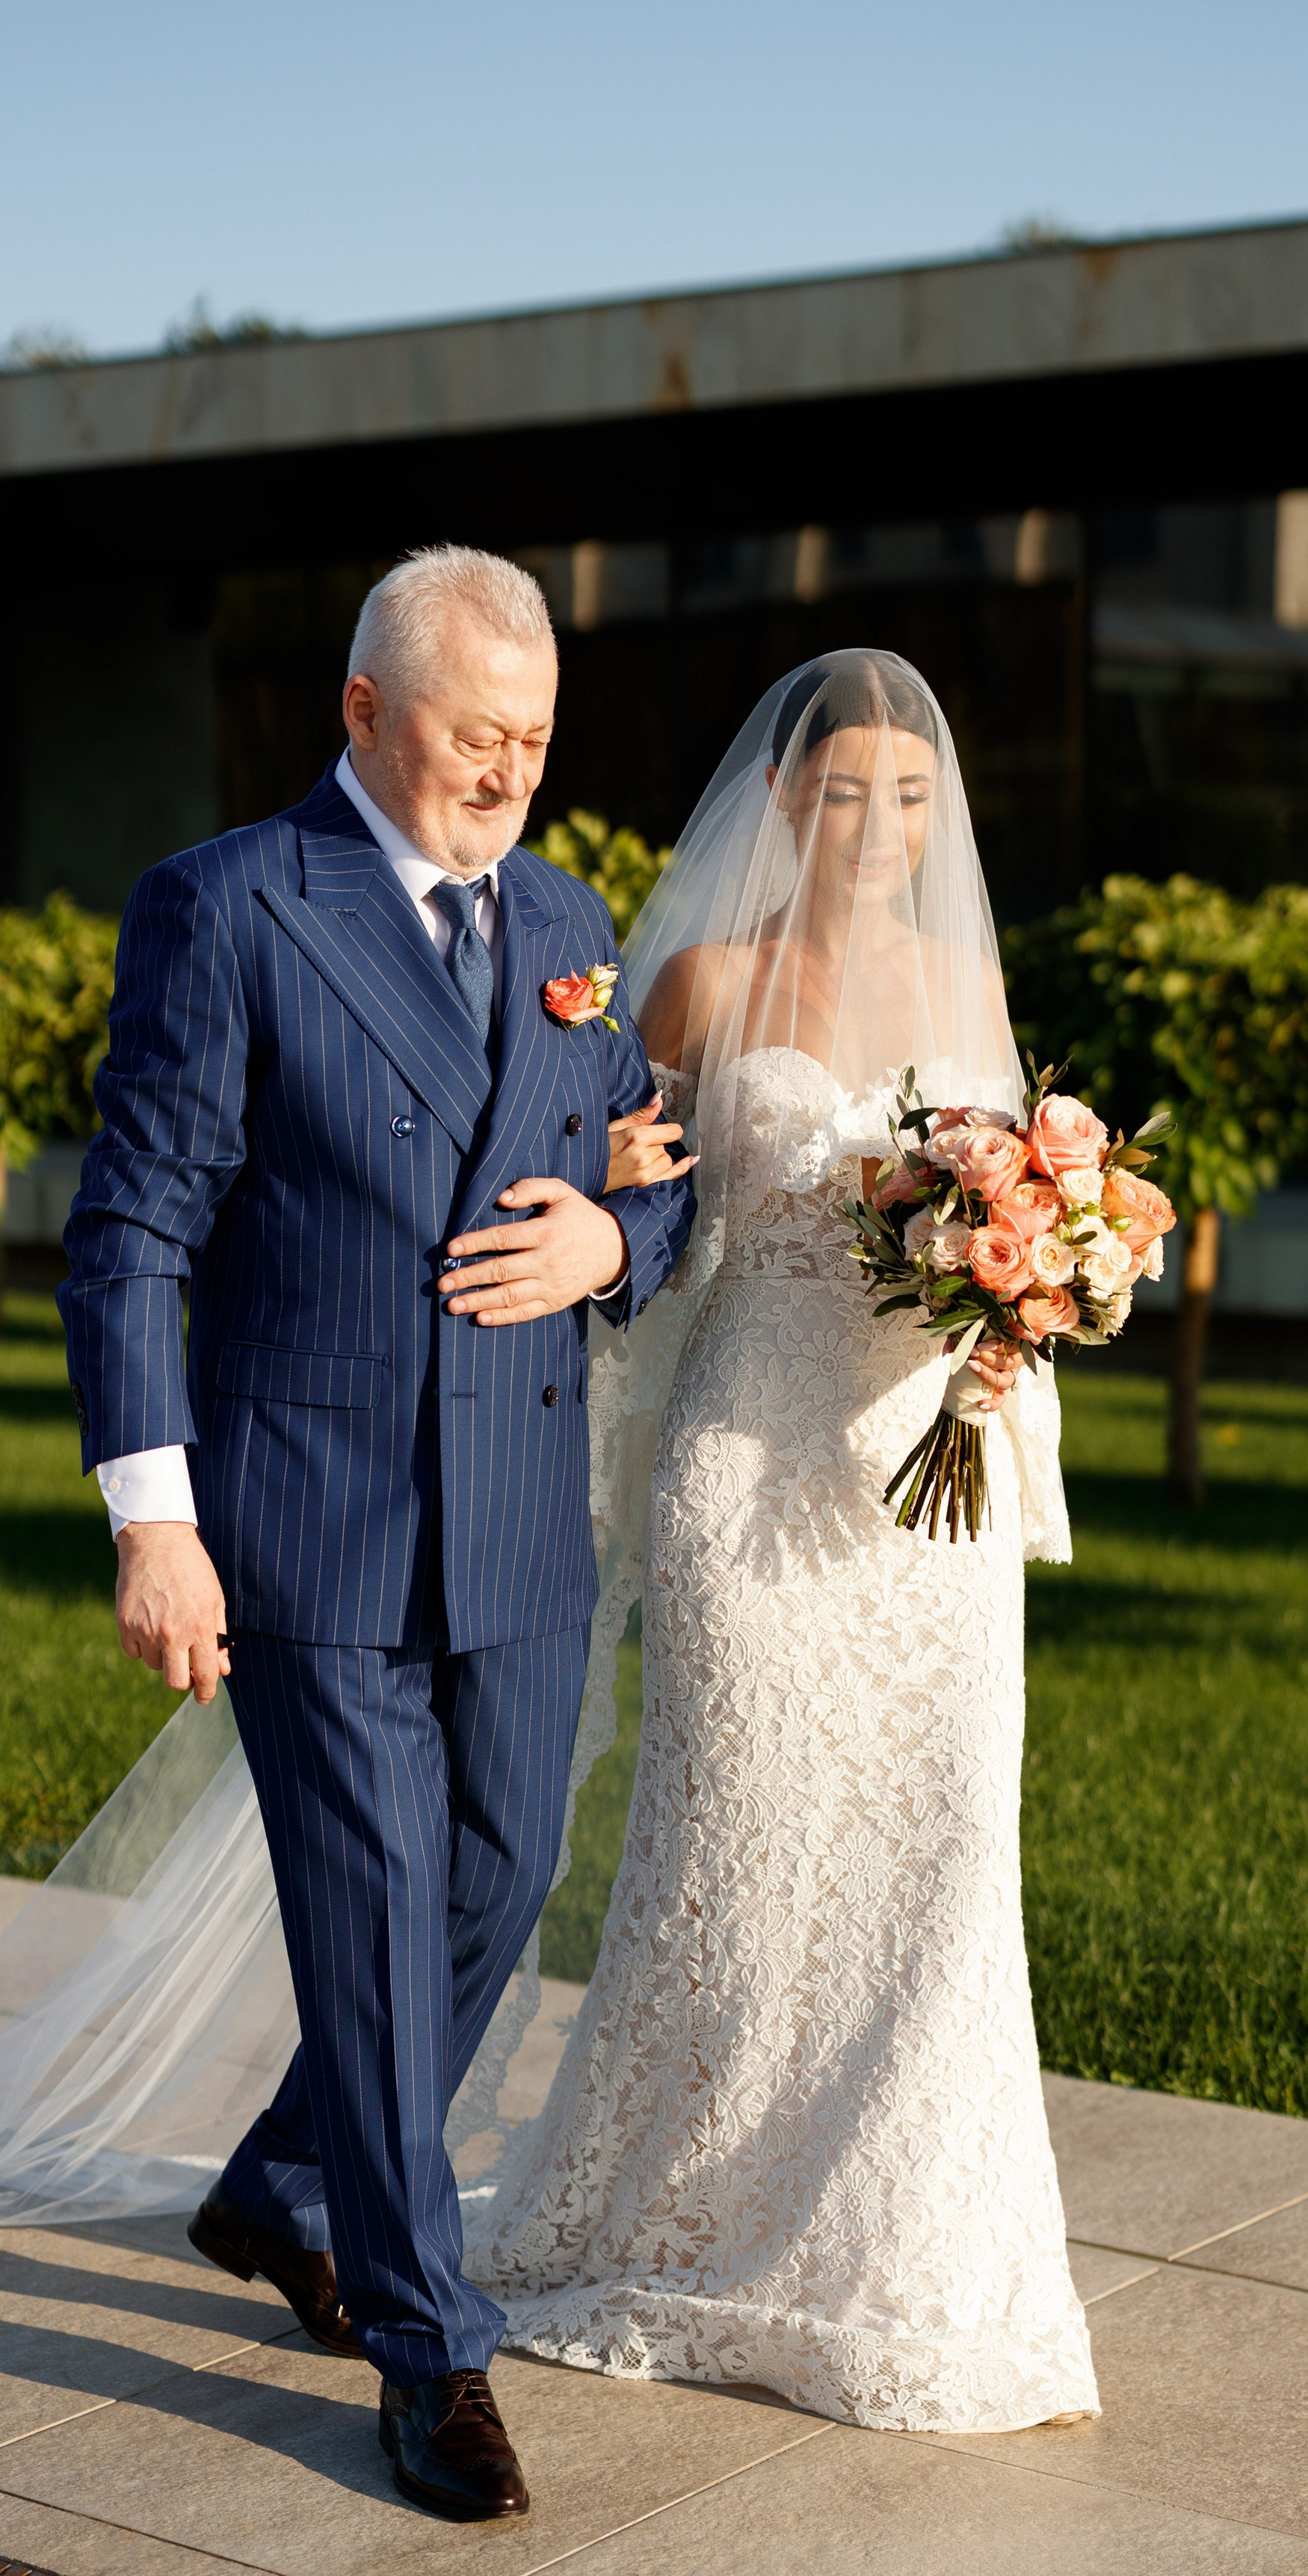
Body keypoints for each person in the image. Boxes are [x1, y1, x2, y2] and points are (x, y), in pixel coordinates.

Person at [59, 546, 697, 2520]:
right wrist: (154, 1524)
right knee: (368, 1923)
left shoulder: (572, 916)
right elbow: (131, 1233)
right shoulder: (234, 907)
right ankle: (428, 2350)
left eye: (536, 736)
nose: (511, 769)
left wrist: (615, 1237)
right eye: (474, 731)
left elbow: (645, 1158)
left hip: (517, 1514)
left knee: (497, 1883)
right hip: (313, 1520)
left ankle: (275, 2181)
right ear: (362, 715)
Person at [464, 651, 1099, 2434]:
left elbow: (1011, 1206)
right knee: (732, 1837)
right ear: (783, 802)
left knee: (941, 1849)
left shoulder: (966, 976)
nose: (879, 827)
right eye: (844, 795)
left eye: (908, 797)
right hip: (744, 1454)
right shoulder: (704, 976)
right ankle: (683, 2215)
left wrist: (1033, 1282)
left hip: (922, 1480)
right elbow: (629, 1187)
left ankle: (894, 2255)